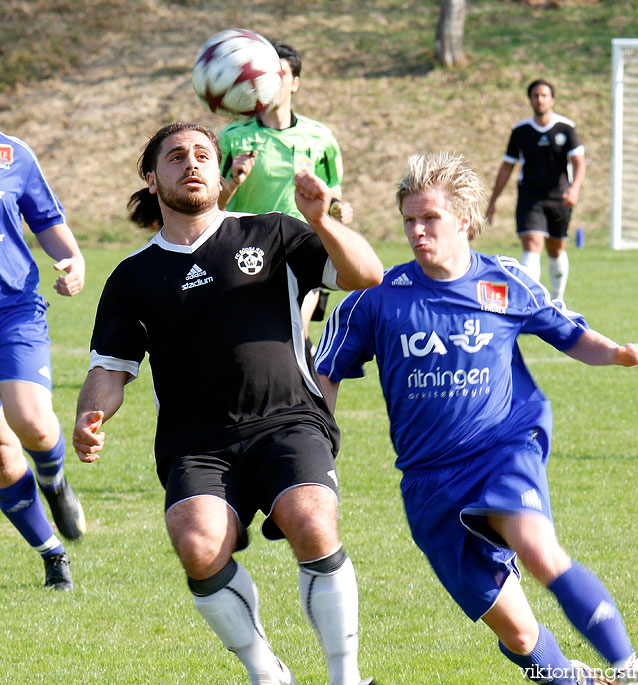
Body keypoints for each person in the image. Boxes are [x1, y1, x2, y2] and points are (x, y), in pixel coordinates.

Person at [315, 151, 638, 685]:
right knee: (519, 636)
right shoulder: (377, 297)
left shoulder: (504, 282)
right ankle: (581, 680)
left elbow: (569, 333)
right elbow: (327, 373)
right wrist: (318, 450)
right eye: (409, 219)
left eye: (429, 218)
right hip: (430, 483)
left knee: (538, 549)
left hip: (503, 448)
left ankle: (632, 669)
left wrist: (618, 351)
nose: (416, 230)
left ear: (464, 220)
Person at [72, 122, 382, 685]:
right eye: (174, 157)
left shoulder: (273, 233)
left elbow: (368, 274)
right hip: (198, 443)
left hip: (288, 419)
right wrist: (89, 416)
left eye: (202, 155)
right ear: (151, 177)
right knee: (196, 543)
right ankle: (266, 671)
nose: (191, 164)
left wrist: (321, 220)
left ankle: (346, 675)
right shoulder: (132, 277)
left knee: (310, 519)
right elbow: (109, 369)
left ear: (219, 172)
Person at [218, 41, 353, 342]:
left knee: (294, 332)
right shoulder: (231, 138)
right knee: (250, 338)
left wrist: (338, 210)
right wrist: (233, 183)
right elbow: (211, 206)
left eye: (280, 74)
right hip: (246, 248)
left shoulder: (320, 138)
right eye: (265, 74)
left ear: (295, 83)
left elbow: (331, 195)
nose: (272, 82)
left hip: (301, 245)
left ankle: (307, 385)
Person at [0, 130, 86, 591]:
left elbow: (46, 220)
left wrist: (73, 259)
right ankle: (52, 554)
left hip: (12, 309)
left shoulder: (11, 154)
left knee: (31, 422)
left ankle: (53, 481)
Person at [486, 78, 585, 302]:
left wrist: (575, 189)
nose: (540, 100)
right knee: (532, 244)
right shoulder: (521, 131)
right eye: (535, 96)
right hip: (530, 198)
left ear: (552, 99)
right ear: (530, 99)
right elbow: (507, 167)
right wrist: (493, 201)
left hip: (559, 198)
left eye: (544, 95)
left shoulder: (566, 128)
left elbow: (579, 162)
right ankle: (533, 302)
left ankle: (558, 301)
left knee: (556, 248)